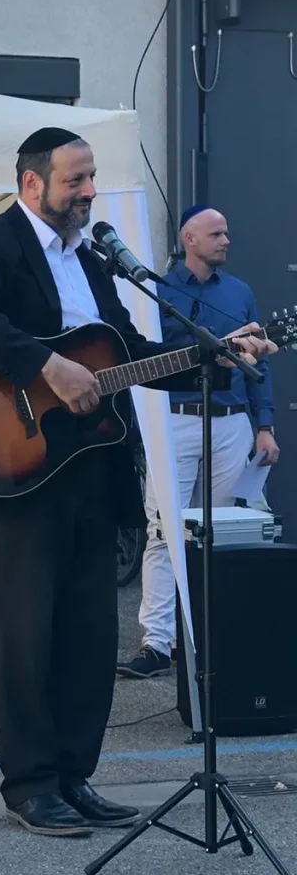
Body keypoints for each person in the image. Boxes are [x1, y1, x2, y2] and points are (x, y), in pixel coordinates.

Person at [0, 128, 276, 837]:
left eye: (92, 178)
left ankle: (73, 776)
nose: (90, 192)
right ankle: (30, 785)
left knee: (89, 634)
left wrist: (215, 357)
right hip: (20, 468)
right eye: (76, 181)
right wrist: (43, 366)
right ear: (33, 185)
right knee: (28, 632)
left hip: (92, 465)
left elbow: (131, 356)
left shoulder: (91, 262)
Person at [118, 206, 278, 679]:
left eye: (227, 232)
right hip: (175, 421)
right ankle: (157, 643)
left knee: (233, 530)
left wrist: (265, 426)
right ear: (190, 238)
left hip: (231, 424)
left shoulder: (241, 292)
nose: (226, 240)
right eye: (216, 233)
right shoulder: (157, 292)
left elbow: (259, 366)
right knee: (163, 531)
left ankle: (221, 635)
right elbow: (142, 359)